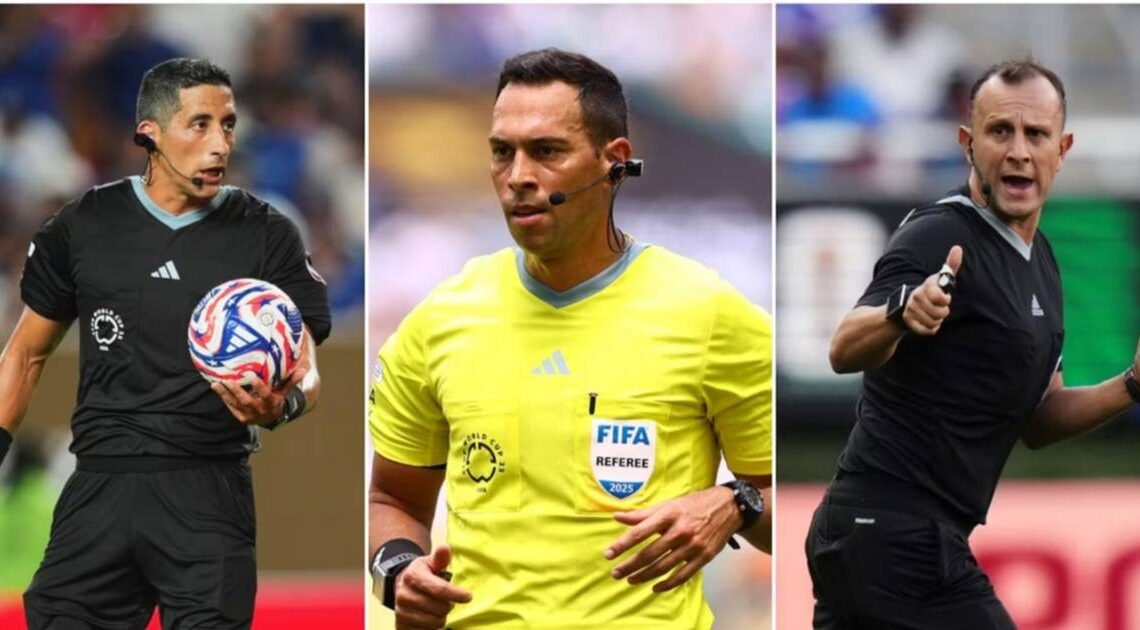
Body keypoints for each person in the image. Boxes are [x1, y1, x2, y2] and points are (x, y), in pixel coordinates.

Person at [368, 48, 772, 629]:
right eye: (502, 152)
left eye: (547, 151)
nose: (518, 176)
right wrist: (398, 568)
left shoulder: (710, 313)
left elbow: (781, 503)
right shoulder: (439, 320)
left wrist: (737, 503)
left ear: (614, 162)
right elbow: (394, 499)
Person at [807, 59, 1140, 629]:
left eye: (1036, 134)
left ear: (1062, 150)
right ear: (968, 143)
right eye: (1000, 131)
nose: (1018, 152)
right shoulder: (940, 233)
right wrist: (899, 313)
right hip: (891, 533)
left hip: (893, 538)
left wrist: (1131, 385)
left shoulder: (1042, 263)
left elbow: (1039, 419)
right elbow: (844, 346)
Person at [0, 57, 331, 629]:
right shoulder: (84, 225)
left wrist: (285, 405)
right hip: (99, 488)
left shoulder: (266, 234)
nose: (220, 144)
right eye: (200, 124)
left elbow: (307, 367)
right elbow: (24, 356)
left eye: (228, 125)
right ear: (149, 134)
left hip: (208, 495)